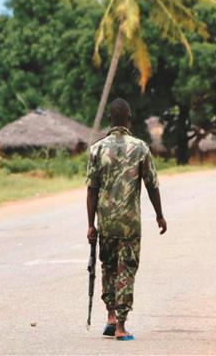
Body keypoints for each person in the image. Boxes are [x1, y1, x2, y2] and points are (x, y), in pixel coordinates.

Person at [85, 98, 167, 342]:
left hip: (107, 223)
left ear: (110, 119)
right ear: (129, 119)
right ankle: (121, 326)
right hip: (130, 224)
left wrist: (91, 224)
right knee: (126, 271)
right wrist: (159, 215)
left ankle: (110, 316)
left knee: (108, 268)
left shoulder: (97, 149)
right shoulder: (141, 148)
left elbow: (92, 190)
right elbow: (152, 186)